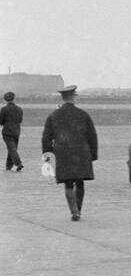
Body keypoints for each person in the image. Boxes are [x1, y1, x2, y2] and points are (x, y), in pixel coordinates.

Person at [40, 85, 97, 221]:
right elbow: (92, 136)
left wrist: (47, 155)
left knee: (68, 183)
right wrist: (93, 155)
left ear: (63, 98)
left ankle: (74, 212)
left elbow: (46, 137)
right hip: (81, 153)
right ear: (73, 97)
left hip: (63, 153)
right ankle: (78, 210)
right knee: (80, 182)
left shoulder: (53, 116)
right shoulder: (83, 114)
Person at [1, 91, 23, 171]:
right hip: (17, 131)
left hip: (7, 132)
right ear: (14, 98)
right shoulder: (19, 109)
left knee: (11, 149)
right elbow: (20, 120)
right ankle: (8, 167)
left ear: (5, 99)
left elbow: (1, 122)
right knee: (12, 149)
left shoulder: (4, 109)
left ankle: (18, 163)